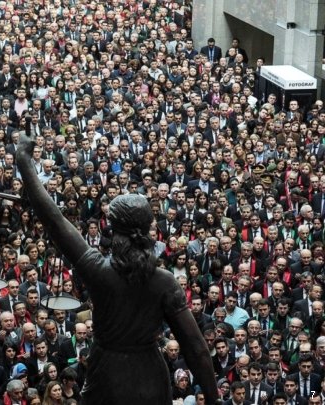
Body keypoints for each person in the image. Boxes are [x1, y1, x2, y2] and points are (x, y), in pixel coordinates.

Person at [14, 125, 218, 404]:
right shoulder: (165, 282)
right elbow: (195, 346)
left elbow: (55, 221)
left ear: (115, 232)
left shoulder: (98, 270)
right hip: (150, 379)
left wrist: (24, 160)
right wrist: (214, 398)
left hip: (106, 376)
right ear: (148, 232)